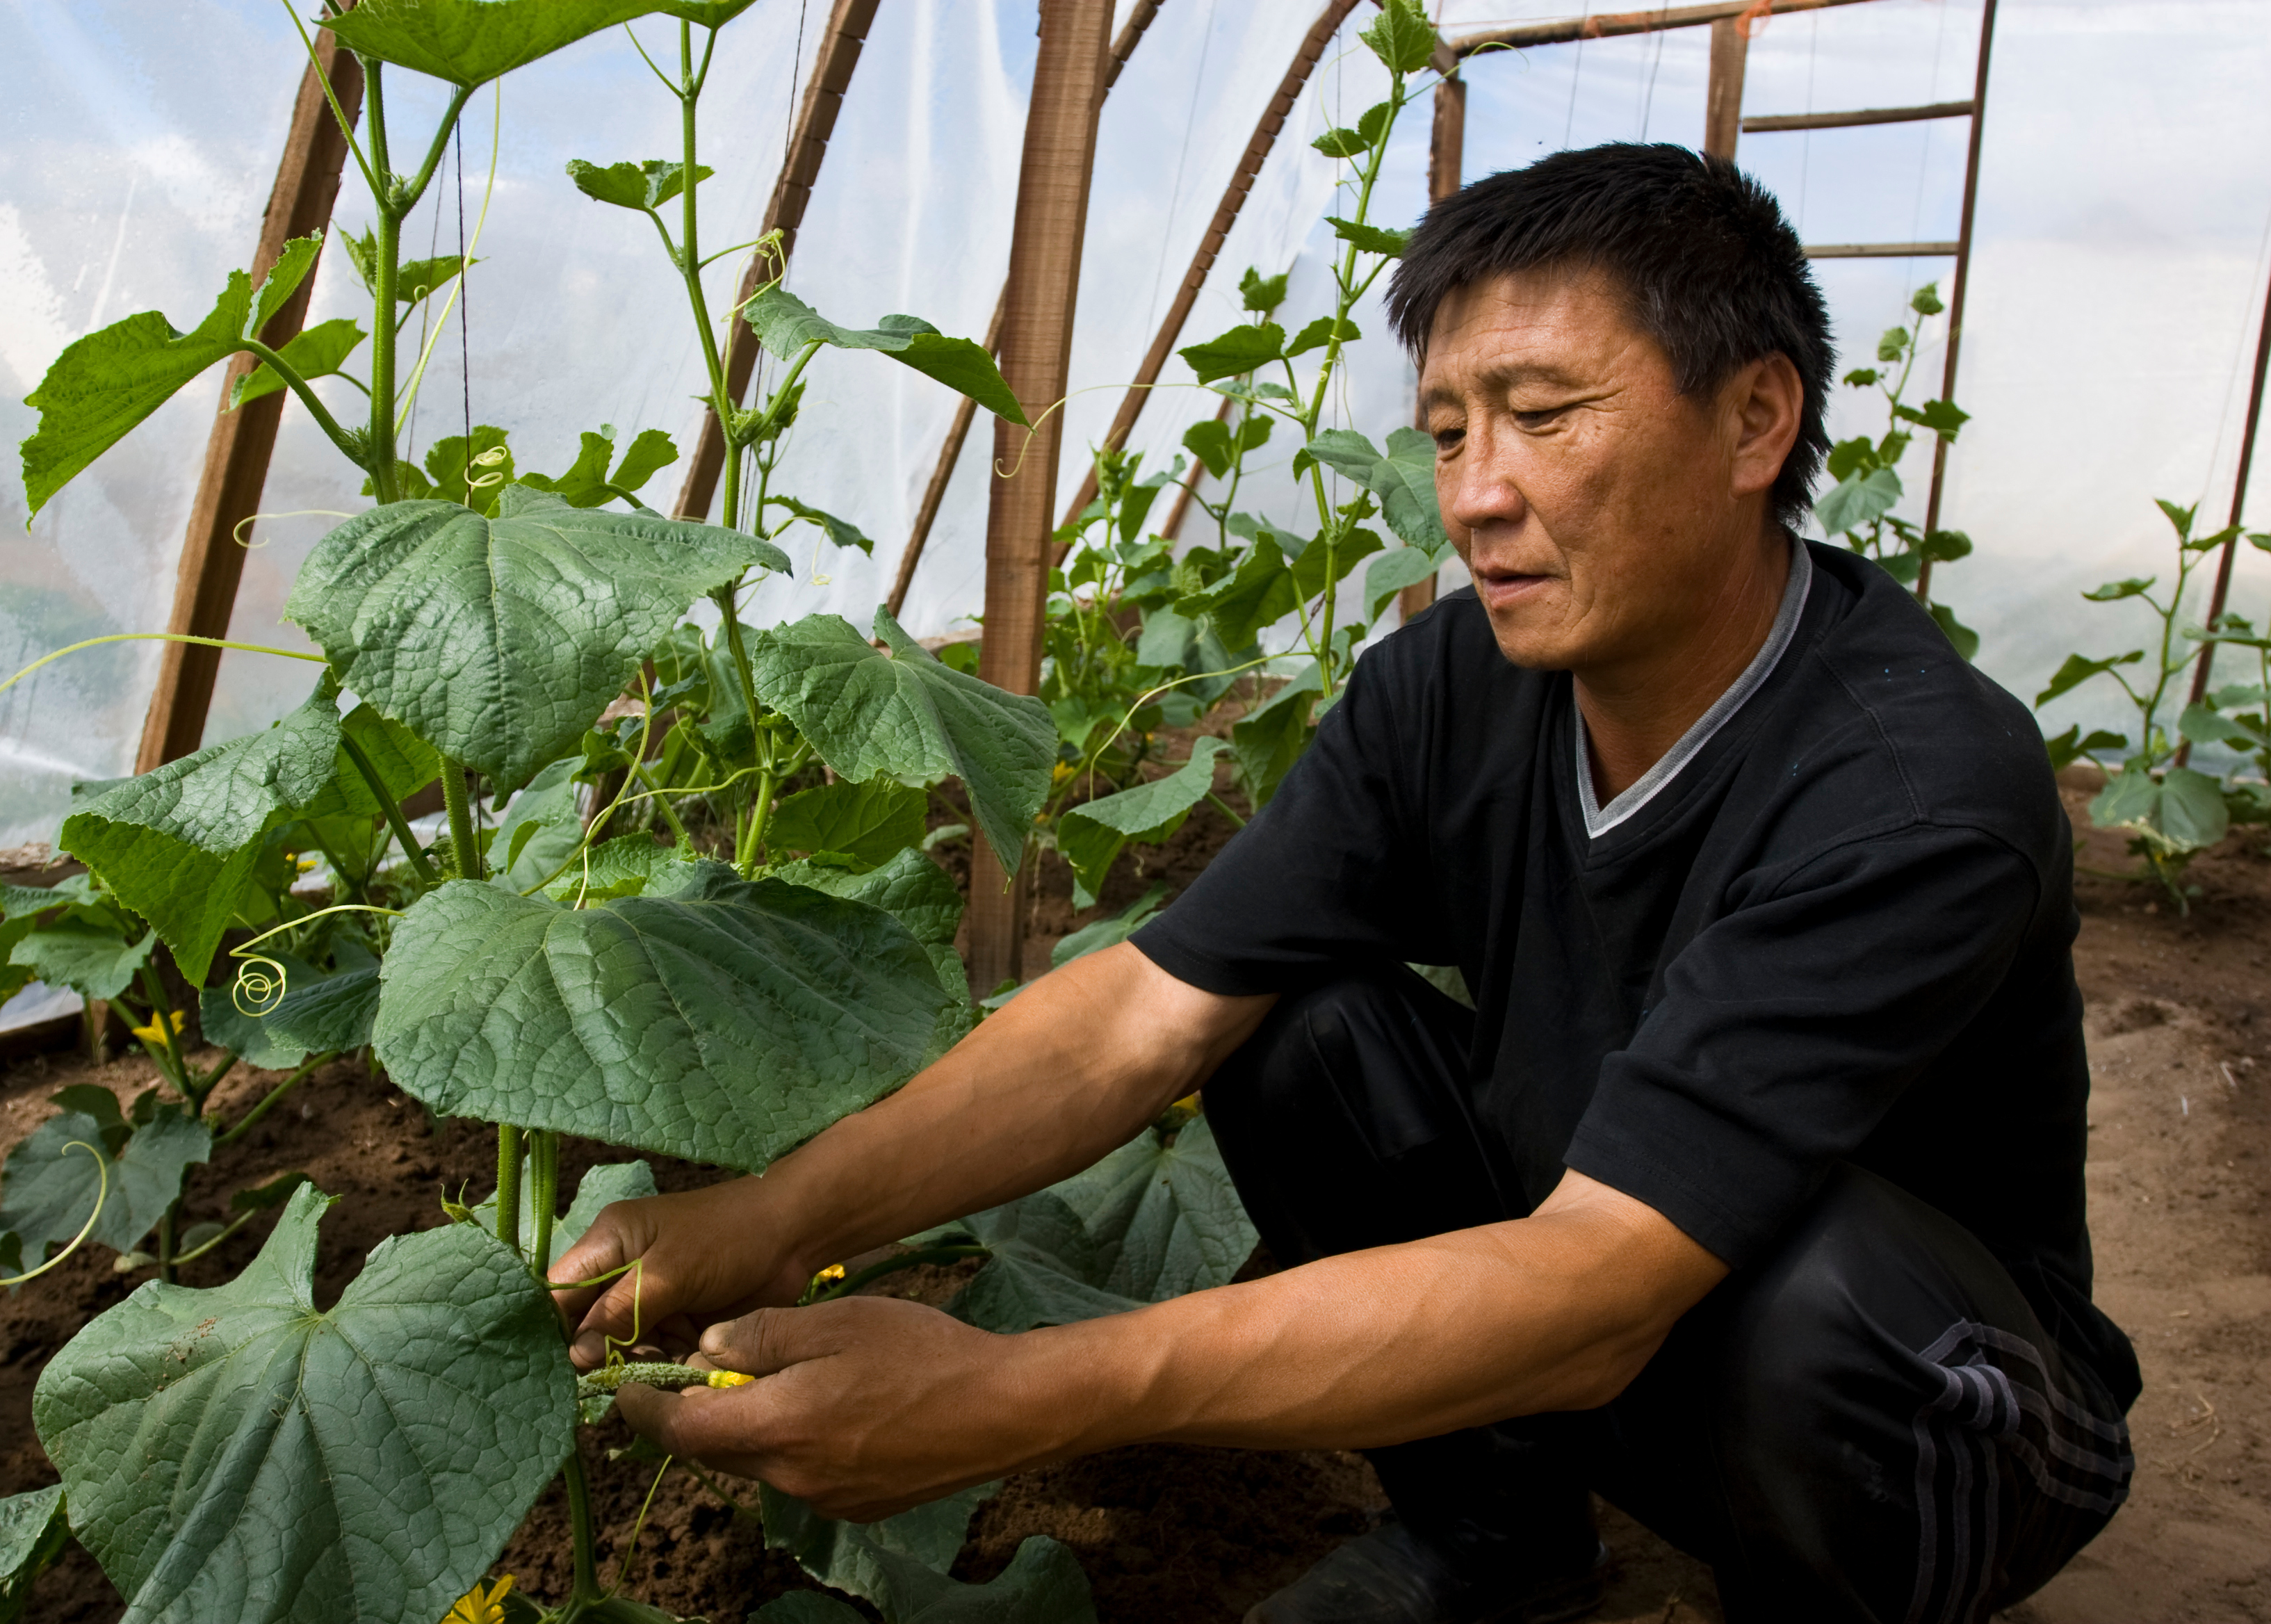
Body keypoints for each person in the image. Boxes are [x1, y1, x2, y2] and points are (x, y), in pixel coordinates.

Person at [549, 143, 2138, 1624]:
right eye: (1449, 431)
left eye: (1545, 412)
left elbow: (1599, 1285)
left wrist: (1002, 1390)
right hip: (1607, 1298)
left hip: (1936, 1403)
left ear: (1754, 421)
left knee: (1817, 1305)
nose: (1474, 493)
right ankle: (1494, 1537)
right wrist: (777, 1214)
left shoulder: (1913, 789)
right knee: (1293, 1024)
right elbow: (1137, 1022)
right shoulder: (1454, 683)